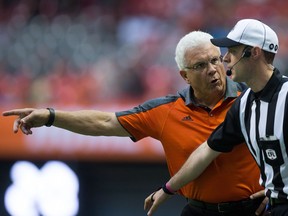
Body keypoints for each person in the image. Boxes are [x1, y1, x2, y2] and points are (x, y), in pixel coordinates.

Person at [3, 31, 265, 216]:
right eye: (200, 65)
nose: (212, 69)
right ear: (184, 75)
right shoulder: (165, 111)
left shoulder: (253, 98)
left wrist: (279, 190)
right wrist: (50, 116)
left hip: (254, 209)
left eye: (215, 60)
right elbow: (105, 121)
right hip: (198, 210)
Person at [145, 19, 285, 216]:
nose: (225, 59)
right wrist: (168, 189)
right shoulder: (244, 103)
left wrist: (280, 192)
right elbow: (207, 151)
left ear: (253, 53)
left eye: (233, 51)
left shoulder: (286, 96)